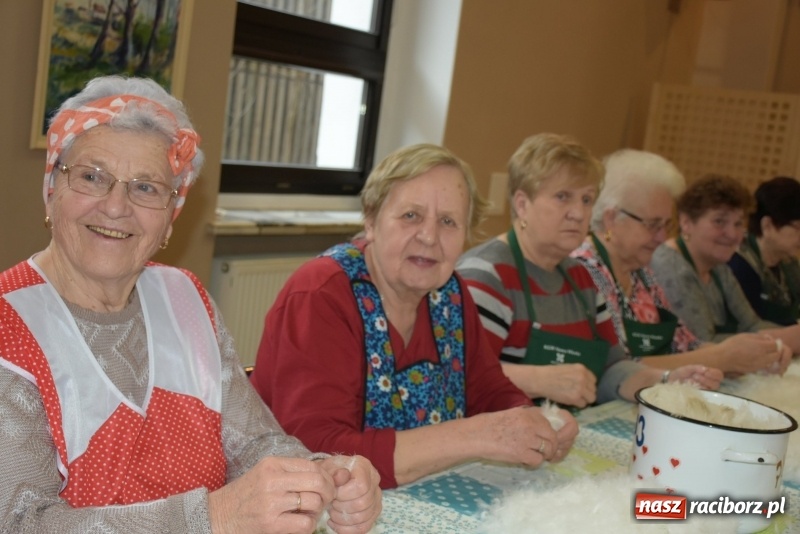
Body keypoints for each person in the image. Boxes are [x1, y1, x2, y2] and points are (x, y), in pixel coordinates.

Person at [0, 75, 381, 534]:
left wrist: (324, 474)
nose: (116, 206)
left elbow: (255, 443)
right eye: (92, 177)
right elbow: (20, 523)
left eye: (146, 188)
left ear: (169, 219)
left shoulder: (186, 298)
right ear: (51, 189)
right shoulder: (9, 325)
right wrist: (214, 517)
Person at [250, 143, 579, 489]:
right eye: (411, 216)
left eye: (449, 222)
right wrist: (477, 434)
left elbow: (486, 388)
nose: (429, 236)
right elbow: (316, 450)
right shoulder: (321, 295)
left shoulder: (451, 292)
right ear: (372, 220)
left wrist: (533, 420)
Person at [455, 134, 721, 410]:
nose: (579, 213)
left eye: (586, 199)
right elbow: (459, 375)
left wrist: (666, 381)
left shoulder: (580, 278)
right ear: (522, 204)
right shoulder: (487, 276)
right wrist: (536, 379)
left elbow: (611, 368)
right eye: (563, 197)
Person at [571, 149, 791, 377]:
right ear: (611, 219)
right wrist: (722, 357)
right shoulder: (586, 270)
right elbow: (617, 369)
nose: (661, 237)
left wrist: (756, 356)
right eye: (653, 224)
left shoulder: (641, 273)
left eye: (666, 224)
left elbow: (686, 344)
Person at [650, 173, 800, 359]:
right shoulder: (672, 267)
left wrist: (788, 337)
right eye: (719, 221)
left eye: (738, 224)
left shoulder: (720, 267)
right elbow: (699, 342)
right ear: (686, 222)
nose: (732, 234)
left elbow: (751, 324)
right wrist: (779, 341)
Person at [728, 177, 800, 326]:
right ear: (767, 225)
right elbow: (747, 329)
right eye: (798, 228)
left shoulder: (790, 265)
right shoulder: (738, 266)